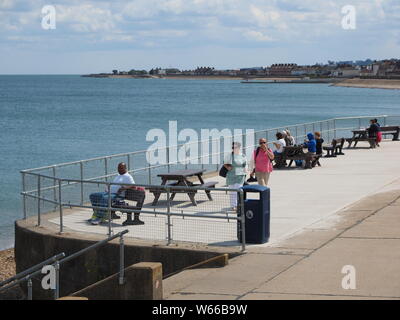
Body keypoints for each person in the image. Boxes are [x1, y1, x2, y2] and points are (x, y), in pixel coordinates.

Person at [224, 142, 247, 210]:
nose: (234, 149)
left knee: (238, 190)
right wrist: (227, 167)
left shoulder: (242, 155)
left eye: (235, 147)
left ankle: (237, 205)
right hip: (231, 176)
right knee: (232, 192)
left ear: (239, 148)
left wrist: (246, 169)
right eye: (233, 147)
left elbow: (245, 164)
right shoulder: (229, 155)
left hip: (240, 176)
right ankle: (233, 206)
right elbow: (225, 163)